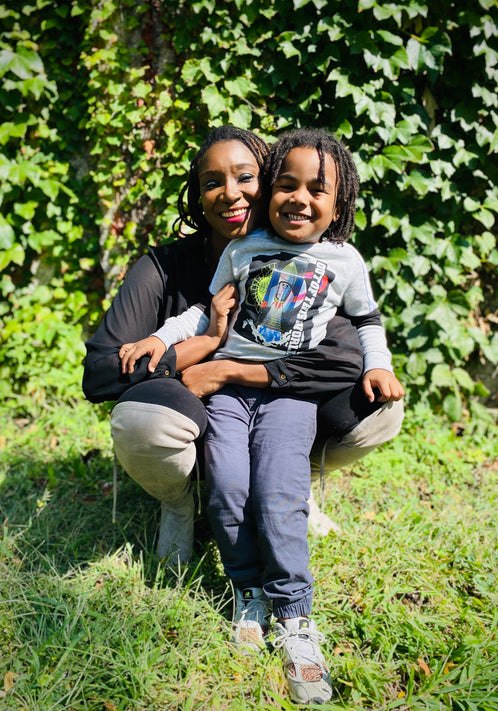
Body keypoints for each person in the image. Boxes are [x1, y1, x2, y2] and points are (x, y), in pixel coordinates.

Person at [119, 128, 404, 705]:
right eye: (287, 185)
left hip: (290, 398)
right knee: (227, 487)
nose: (300, 198)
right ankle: (246, 590)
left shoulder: (344, 262)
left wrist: (378, 366)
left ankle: (295, 616)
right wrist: (160, 336)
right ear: (271, 190)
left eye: (317, 190)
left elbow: (368, 322)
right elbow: (208, 311)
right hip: (227, 394)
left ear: (339, 205)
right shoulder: (242, 250)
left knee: (277, 491)